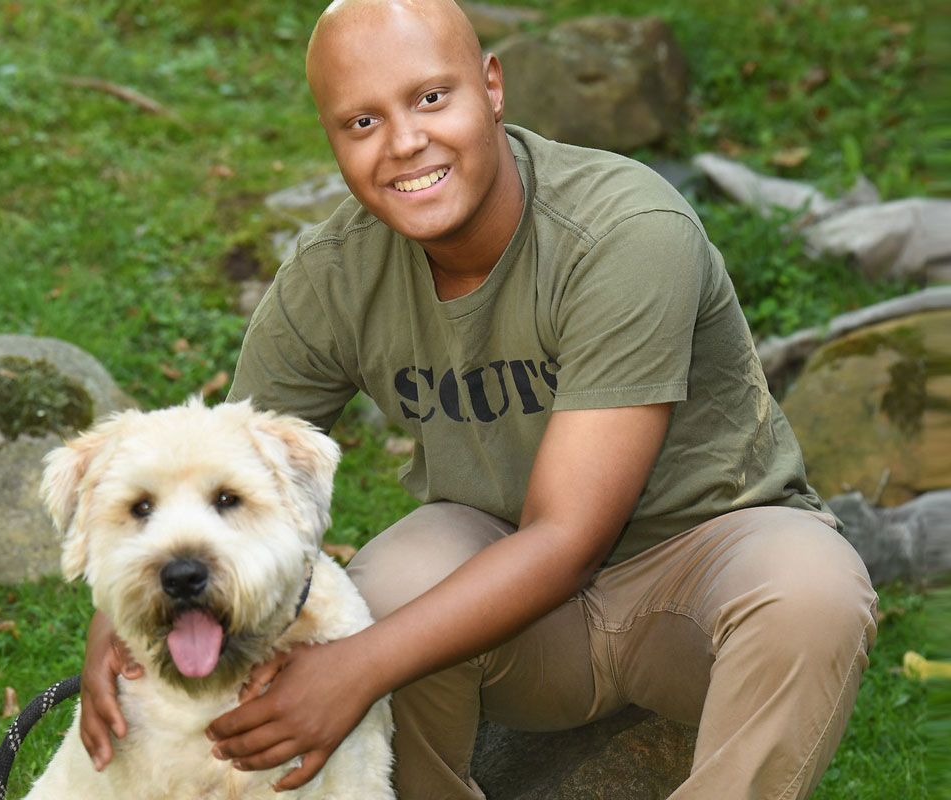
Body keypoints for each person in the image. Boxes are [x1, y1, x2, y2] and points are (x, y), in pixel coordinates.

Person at [79, 0, 879, 797]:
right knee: (387, 583)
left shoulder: (624, 229)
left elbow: (569, 537)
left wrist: (355, 669)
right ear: (330, 137)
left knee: (812, 589)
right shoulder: (332, 277)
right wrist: (121, 622)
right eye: (361, 122)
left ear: (491, 86)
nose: (403, 143)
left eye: (431, 98)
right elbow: (211, 462)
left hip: (701, 579)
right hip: (517, 611)